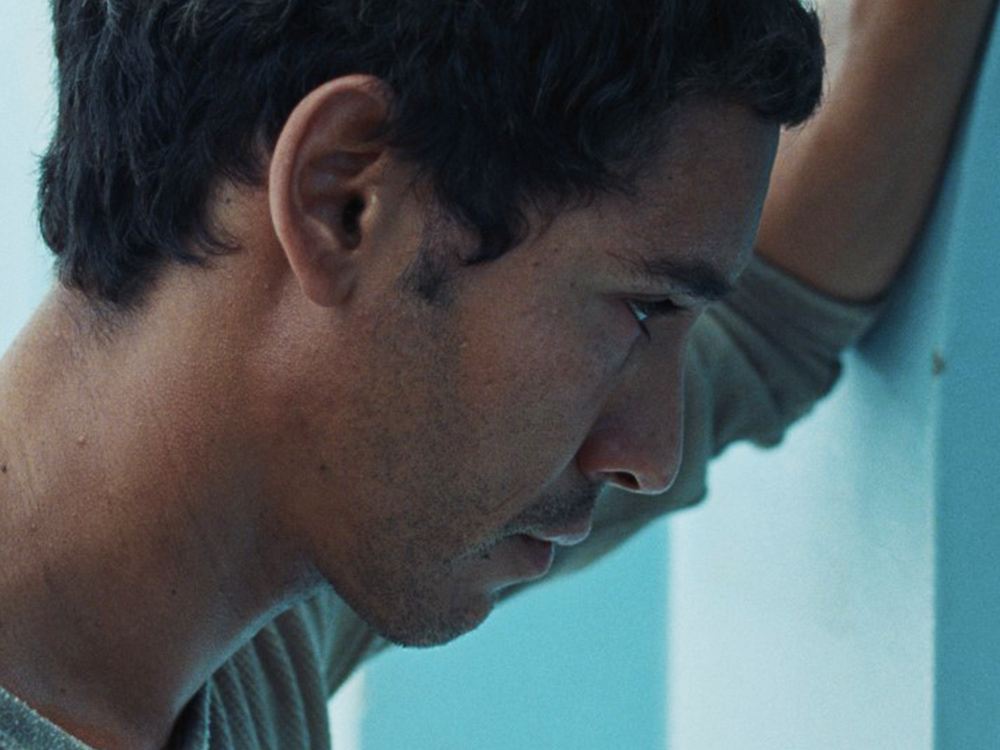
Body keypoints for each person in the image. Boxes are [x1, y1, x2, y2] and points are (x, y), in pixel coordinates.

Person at [0, 0, 994, 748]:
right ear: (342, 198)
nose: (648, 454)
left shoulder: (244, 612)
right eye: (642, 310)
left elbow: (772, 317)